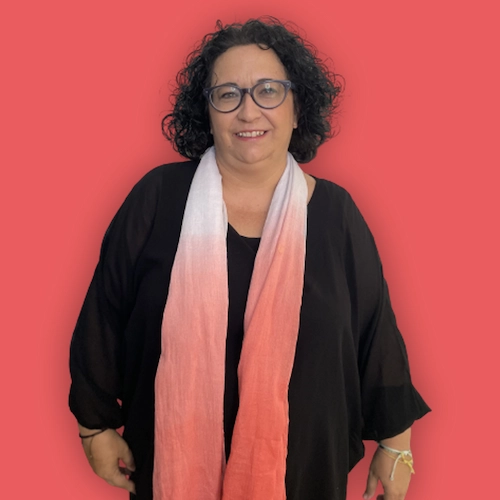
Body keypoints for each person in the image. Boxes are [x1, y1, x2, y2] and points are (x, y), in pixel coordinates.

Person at [69, 17, 430, 500]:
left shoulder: (336, 213)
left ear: (298, 109)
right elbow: (102, 319)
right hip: (168, 468)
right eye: (228, 95)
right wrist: (94, 427)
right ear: (207, 113)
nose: (248, 111)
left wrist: (396, 445)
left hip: (306, 474)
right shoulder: (157, 198)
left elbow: (376, 334)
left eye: (268, 91)